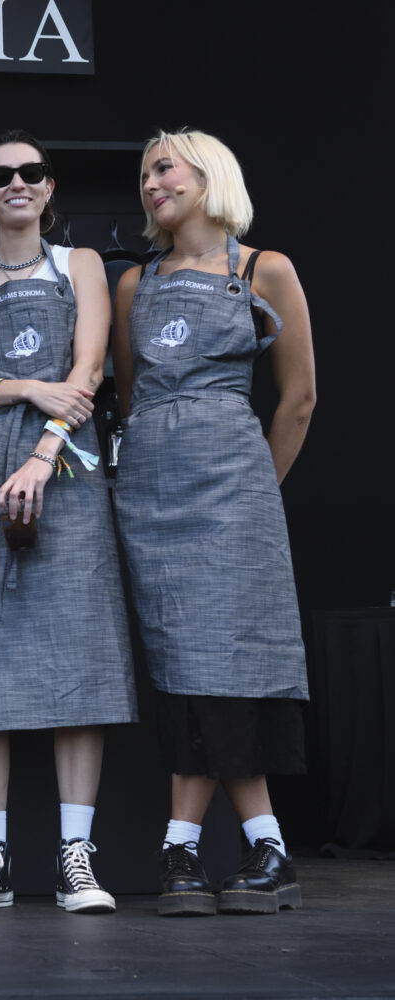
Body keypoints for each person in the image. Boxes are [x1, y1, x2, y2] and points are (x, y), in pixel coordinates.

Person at [0, 130, 136, 916]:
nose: (18, 183)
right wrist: (23, 389)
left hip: (67, 465)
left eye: (32, 172)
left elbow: (87, 370)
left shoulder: (79, 265)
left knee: (79, 650)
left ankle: (77, 852)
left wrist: (47, 448)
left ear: (50, 189)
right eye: (0, 175)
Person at [111, 129, 315, 916]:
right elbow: (130, 400)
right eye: (144, 174)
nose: (152, 183)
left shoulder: (264, 269)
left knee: (219, 659)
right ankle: (261, 849)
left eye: (164, 168)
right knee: (179, 658)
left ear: (209, 174)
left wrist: (255, 489)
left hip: (234, 490)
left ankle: (187, 851)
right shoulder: (136, 282)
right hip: (151, 492)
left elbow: (298, 399)